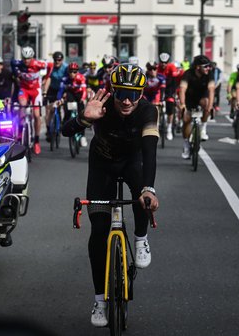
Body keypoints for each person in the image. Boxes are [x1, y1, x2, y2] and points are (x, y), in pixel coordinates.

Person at [61, 64, 159, 328]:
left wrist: (149, 188)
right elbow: (65, 131)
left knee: (142, 195)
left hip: (132, 161)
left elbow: (150, 151)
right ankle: (100, 301)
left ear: (141, 93)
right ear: (112, 91)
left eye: (133, 94)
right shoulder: (100, 104)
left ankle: (140, 239)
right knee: (99, 233)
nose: (126, 100)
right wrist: (84, 118)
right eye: (121, 94)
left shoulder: (149, 111)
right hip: (102, 163)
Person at [11, 46, 53, 155]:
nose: (26, 61)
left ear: (32, 57)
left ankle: (37, 141)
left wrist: (46, 78)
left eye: (28, 58)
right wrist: (17, 75)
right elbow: (12, 63)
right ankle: (20, 134)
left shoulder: (38, 64)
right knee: (21, 108)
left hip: (36, 90)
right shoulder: (18, 63)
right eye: (24, 58)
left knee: (36, 115)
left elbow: (50, 65)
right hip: (24, 90)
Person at [179, 55, 215, 159]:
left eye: (209, 66)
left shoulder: (209, 74)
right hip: (189, 98)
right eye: (206, 66)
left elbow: (211, 90)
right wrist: (182, 105)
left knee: (207, 103)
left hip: (202, 97)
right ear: (198, 67)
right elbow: (182, 90)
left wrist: (210, 106)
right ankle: (186, 144)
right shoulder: (188, 74)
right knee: (186, 120)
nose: (208, 68)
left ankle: (203, 127)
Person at [58, 62, 89, 147]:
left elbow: (84, 90)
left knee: (82, 115)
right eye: (70, 71)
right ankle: (66, 122)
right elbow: (61, 90)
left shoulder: (81, 77)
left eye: (74, 72)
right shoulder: (65, 79)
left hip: (79, 95)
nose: (72, 74)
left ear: (77, 72)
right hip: (71, 94)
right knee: (67, 107)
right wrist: (60, 99)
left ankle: (82, 136)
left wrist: (83, 99)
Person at [45, 51, 68, 142]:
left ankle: (62, 123)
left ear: (62, 60)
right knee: (49, 109)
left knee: (64, 107)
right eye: (56, 60)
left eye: (59, 60)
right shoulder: (51, 67)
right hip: (52, 89)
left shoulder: (66, 68)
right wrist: (44, 92)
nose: (57, 61)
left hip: (62, 90)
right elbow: (48, 79)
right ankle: (48, 129)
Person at [157, 52, 180, 140]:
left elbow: (174, 80)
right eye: (162, 62)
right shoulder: (157, 68)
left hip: (170, 87)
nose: (163, 64)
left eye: (165, 62)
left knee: (170, 106)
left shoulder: (171, 67)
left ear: (168, 62)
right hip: (160, 87)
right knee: (156, 104)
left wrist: (173, 93)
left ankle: (169, 128)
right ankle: (158, 124)